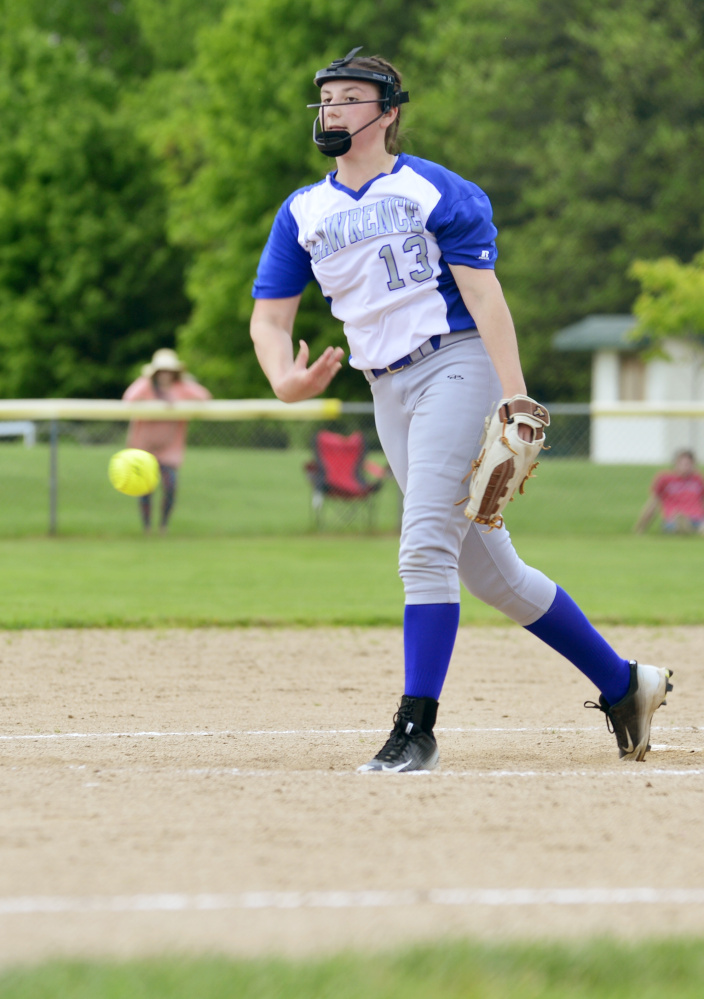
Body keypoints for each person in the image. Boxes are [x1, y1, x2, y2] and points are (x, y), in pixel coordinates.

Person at [250, 47, 673, 771]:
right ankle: (625, 683)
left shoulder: (432, 190)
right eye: (326, 96)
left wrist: (514, 393)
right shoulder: (303, 212)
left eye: (351, 96)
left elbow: (484, 297)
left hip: (457, 364)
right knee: (490, 572)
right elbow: (270, 320)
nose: (333, 108)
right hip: (388, 388)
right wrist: (283, 379)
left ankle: (416, 729)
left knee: (424, 546)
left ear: (388, 112)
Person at [123, 348, 211, 534]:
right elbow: (128, 398)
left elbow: (204, 396)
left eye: (169, 371)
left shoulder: (181, 388)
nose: (165, 375)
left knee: (170, 487)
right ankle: (146, 527)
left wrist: (185, 381)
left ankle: (163, 525)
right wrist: (146, 381)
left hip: (170, 448)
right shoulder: (146, 387)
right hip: (144, 447)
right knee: (145, 489)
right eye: (161, 371)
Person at [634, 449, 704, 535]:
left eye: (688, 464)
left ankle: (690, 528)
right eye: (682, 464)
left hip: (697, 518)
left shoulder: (698, 479)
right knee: (674, 524)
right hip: (673, 518)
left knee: (700, 525)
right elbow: (653, 504)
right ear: (675, 463)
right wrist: (640, 527)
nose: (686, 467)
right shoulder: (665, 479)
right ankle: (683, 526)